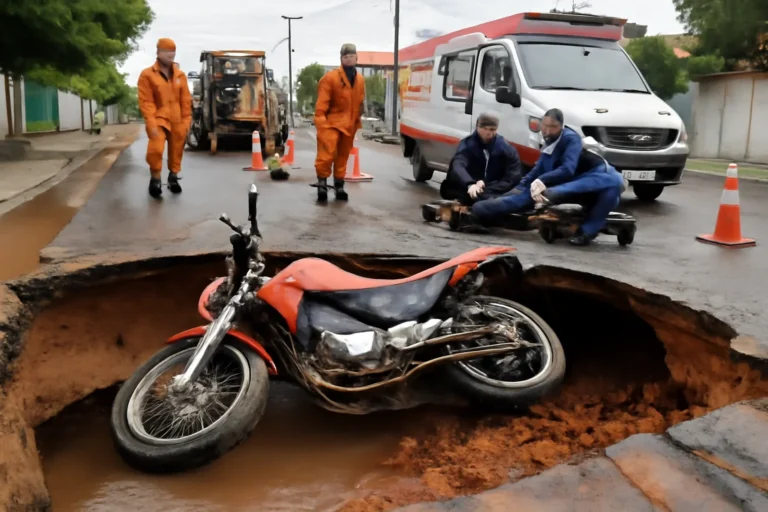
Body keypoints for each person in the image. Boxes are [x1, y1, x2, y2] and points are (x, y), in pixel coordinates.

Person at [471, 108, 625, 245]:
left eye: (553, 127)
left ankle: (587, 232)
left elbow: (568, 169)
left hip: (596, 176)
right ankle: (484, 207)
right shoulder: (548, 144)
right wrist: (514, 191)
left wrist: (542, 181)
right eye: (545, 126)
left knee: (612, 187)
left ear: (561, 127)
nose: (547, 131)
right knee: (506, 202)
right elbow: (537, 171)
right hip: (566, 186)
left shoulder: (571, 139)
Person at [137, 38, 192, 198]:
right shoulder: (147, 75)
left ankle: (173, 178)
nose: (171, 55)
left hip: (178, 120)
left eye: (173, 52)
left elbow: (186, 101)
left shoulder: (180, 75)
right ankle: (155, 180)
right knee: (155, 149)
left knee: (177, 150)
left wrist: (186, 121)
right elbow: (146, 102)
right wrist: (151, 123)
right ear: (158, 52)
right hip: (158, 119)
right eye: (167, 51)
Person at [313, 43, 366, 202]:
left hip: (349, 124)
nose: (349, 59)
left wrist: (358, 118)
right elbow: (321, 105)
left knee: (343, 156)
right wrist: (322, 125)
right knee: (326, 155)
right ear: (341, 59)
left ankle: (339, 185)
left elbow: (360, 101)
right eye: (346, 57)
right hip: (331, 124)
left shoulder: (360, 80)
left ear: (356, 58)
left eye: (352, 56)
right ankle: (322, 183)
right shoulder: (330, 78)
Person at [439, 112, 522, 205]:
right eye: (484, 129)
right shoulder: (467, 145)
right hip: (467, 187)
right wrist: (470, 184)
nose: (488, 133)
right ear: (477, 127)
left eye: (492, 129)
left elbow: (513, 176)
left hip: (493, 189)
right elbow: (458, 165)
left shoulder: (505, 148)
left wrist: (488, 186)